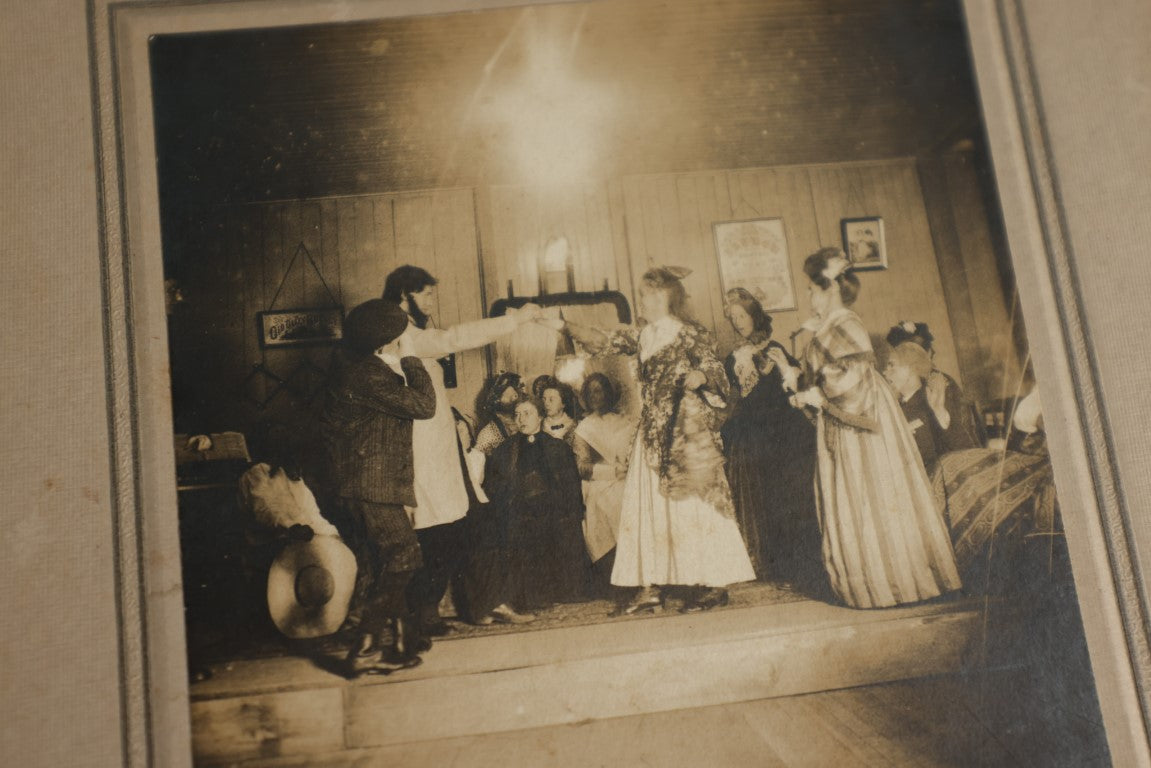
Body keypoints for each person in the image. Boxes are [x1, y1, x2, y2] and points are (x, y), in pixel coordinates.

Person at [547, 266, 755, 614]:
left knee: (691, 507)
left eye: (644, 294)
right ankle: (652, 586)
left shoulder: (691, 333)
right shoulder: (643, 335)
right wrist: (561, 325)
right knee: (646, 507)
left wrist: (700, 375)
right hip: (652, 430)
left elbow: (717, 371)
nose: (640, 300)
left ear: (662, 295)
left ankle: (713, 583)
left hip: (685, 432)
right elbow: (603, 340)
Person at [768, 248, 961, 609]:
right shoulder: (827, 326)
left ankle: (895, 584)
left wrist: (816, 395)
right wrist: (792, 376)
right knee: (853, 494)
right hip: (842, 424)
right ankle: (873, 586)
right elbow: (822, 378)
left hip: (861, 426)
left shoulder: (847, 323)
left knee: (870, 491)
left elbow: (851, 383)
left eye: (811, 289)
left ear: (829, 289)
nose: (808, 297)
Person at [381, 266, 541, 637]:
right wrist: (514, 319)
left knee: (465, 525)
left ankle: (478, 603)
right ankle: (429, 613)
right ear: (405, 296)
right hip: (423, 454)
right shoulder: (404, 336)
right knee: (439, 534)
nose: (431, 301)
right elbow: (456, 337)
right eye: (426, 294)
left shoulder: (410, 334)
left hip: (441, 449)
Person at [317, 299, 436, 677]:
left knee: (385, 561)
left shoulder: (356, 369)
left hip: (358, 484)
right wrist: (412, 359)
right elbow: (424, 405)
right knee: (404, 556)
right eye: (402, 336)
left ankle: (400, 643)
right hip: (372, 486)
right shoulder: (368, 375)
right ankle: (366, 647)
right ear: (388, 342)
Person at [719, 288, 820, 587]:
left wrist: (777, 368)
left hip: (785, 431)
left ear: (755, 316)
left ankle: (804, 566)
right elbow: (735, 398)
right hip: (756, 434)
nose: (738, 322)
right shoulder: (732, 359)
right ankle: (778, 567)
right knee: (768, 499)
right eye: (733, 318)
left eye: (743, 316)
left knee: (793, 496)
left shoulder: (774, 347)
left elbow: (798, 383)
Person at [472, 397, 589, 619]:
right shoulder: (505, 449)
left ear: (539, 417)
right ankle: (529, 596)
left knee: (550, 531)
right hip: (518, 510)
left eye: (527, 413)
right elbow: (493, 485)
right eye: (517, 414)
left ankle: (550, 593)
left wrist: (570, 510)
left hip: (552, 510)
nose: (521, 419)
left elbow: (569, 483)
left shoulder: (557, 447)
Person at [570, 373, 637, 593]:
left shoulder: (625, 421)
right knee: (612, 502)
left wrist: (627, 469)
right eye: (590, 393)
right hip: (599, 482)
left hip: (627, 477)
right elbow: (583, 468)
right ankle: (618, 576)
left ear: (609, 393)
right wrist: (612, 471)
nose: (595, 396)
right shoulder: (584, 428)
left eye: (599, 390)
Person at [885, 321, 983, 458]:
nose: (886, 372)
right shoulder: (899, 394)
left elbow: (959, 438)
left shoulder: (936, 384)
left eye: (892, 365)